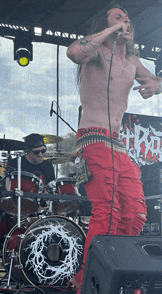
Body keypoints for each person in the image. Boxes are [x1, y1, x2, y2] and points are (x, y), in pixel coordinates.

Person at [66, 4, 162, 293]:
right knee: (107, 211)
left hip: (118, 145)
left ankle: (119, 276)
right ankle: (86, 281)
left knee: (134, 212)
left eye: (126, 19)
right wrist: (108, 32)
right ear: (105, 25)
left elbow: (154, 79)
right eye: (117, 18)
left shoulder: (132, 60)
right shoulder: (95, 52)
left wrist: (155, 86)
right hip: (93, 137)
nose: (125, 22)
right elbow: (73, 52)